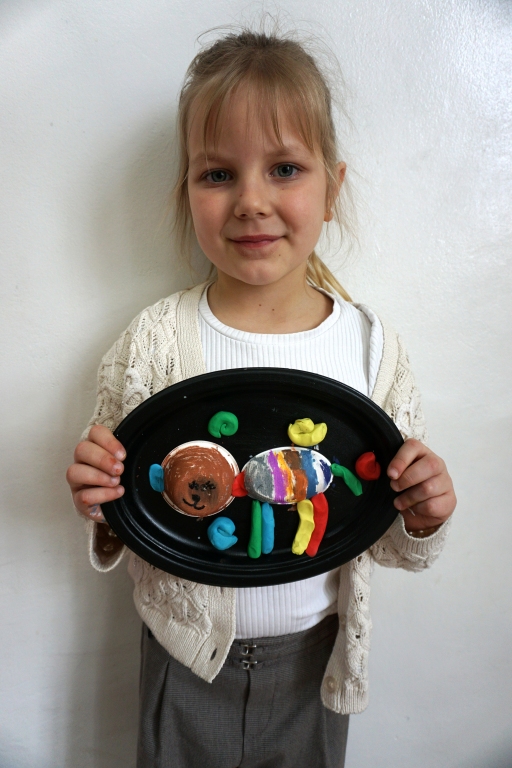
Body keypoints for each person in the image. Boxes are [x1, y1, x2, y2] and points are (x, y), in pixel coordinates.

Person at [66, 28, 456, 768]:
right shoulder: (154, 342)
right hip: (183, 654)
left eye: (284, 168)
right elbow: (122, 499)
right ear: (186, 191)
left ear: (332, 189)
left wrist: (425, 512)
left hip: (317, 662)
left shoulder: (373, 352)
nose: (251, 201)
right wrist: (98, 496)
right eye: (218, 174)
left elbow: (387, 528)